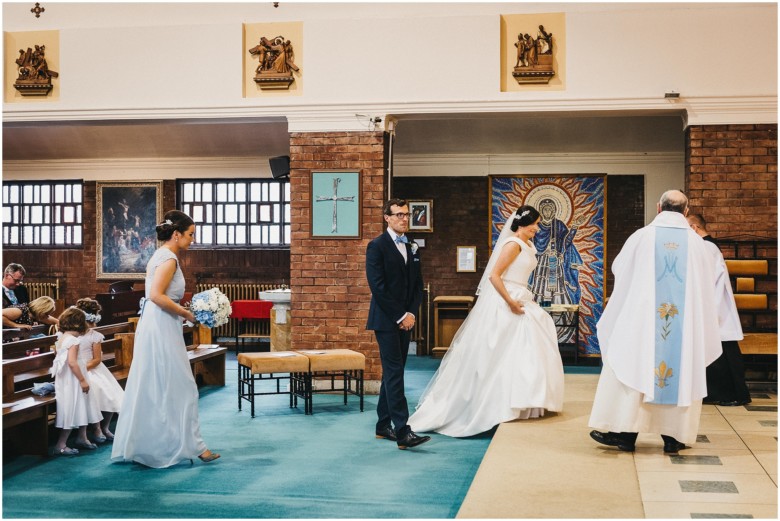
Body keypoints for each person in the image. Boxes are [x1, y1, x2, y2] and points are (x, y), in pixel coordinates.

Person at [409, 205, 564, 437]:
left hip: (522, 295)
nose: (537, 228)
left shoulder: (528, 245)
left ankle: (525, 402)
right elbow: (494, 276)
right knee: (499, 354)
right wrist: (510, 302)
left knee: (525, 352)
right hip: (506, 299)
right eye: (534, 224)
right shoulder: (512, 244)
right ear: (522, 224)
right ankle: (497, 403)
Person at [588, 190, 722, 454]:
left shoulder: (642, 237)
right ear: (686, 212)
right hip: (681, 327)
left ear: (659, 207)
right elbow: (706, 284)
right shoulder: (697, 243)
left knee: (635, 369)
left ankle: (625, 436)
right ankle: (674, 438)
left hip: (644, 320)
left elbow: (620, 269)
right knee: (679, 372)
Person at [112, 210, 220, 467]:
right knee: (181, 385)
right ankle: (190, 446)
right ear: (176, 234)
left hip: (160, 322)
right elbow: (157, 295)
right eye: (190, 234)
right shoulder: (168, 259)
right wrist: (188, 314)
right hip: (160, 323)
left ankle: (159, 443)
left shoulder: (161, 256)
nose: (193, 239)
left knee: (159, 383)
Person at [366, 198, 429, 450]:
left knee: (394, 372)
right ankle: (403, 431)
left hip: (406, 320)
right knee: (394, 373)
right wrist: (400, 316)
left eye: (406, 214)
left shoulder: (412, 246)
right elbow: (377, 287)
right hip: (385, 320)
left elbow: (417, 286)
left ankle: (383, 425)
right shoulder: (377, 246)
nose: (404, 218)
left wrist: (411, 313)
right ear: (387, 218)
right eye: (399, 214)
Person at [687, 214, 751, 406]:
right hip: (714, 308)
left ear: (694, 228)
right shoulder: (709, 246)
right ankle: (727, 394)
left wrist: (706, 310)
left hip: (714, 308)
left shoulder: (706, 247)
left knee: (723, 354)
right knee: (722, 352)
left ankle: (732, 395)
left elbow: (707, 281)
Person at [50, 306, 103, 455]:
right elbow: (73, 362)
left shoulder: (62, 337)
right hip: (74, 379)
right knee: (72, 408)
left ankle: (81, 437)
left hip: (66, 379)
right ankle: (60, 445)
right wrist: (82, 380)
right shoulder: (73, 340)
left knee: (80, 406)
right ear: (80, 323)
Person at [75, 298, 125, 442]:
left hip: (93, 368)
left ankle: (105, 427)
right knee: (92, 392)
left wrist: (83, 369)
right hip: (77, 370)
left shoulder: (95, 336)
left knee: (108, 393)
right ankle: (92, 430)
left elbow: (97, 359)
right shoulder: (72, 335)